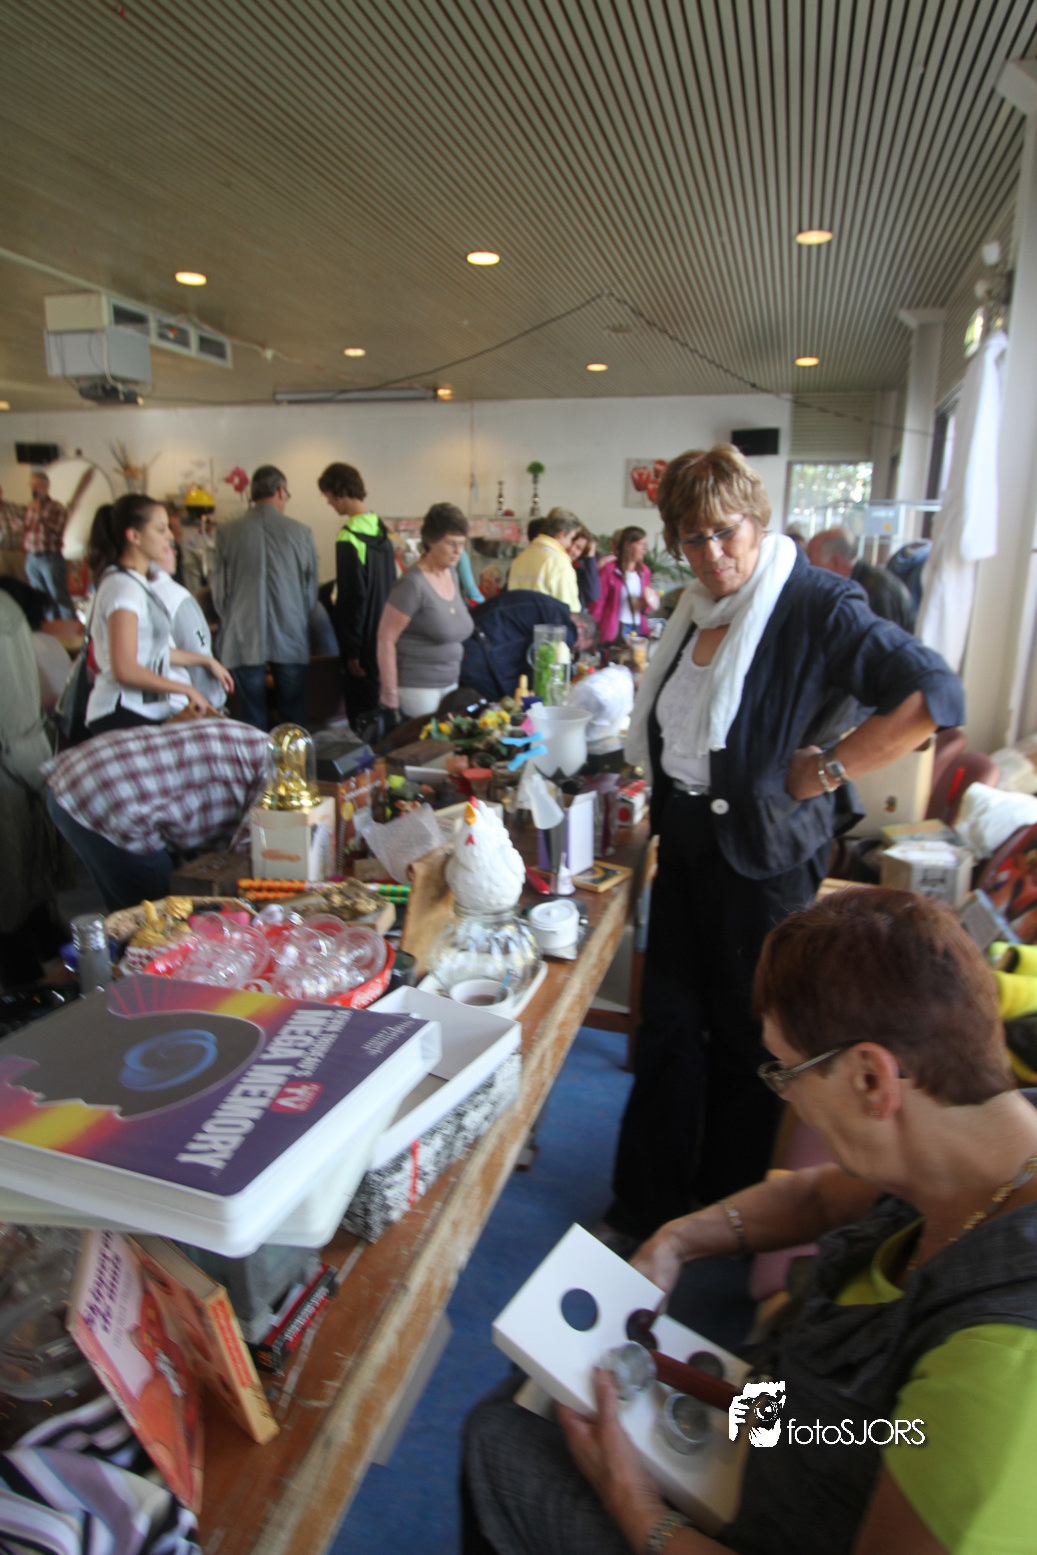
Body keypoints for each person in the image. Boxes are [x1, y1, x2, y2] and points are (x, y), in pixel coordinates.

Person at [463, 887, 1037, 1555]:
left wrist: (638, 1508)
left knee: (500, 1437)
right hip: (805, 1433)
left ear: (871, 1079)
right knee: (546, 1389)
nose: (785, 1092)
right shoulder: (976, 1145)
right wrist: (676, 1240)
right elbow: (820, 1199)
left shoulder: (1002, 1363)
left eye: (787, 1071)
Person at [601, 444, 962, 1244]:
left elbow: (931, 692)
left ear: (757, 521)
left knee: (746, 1039)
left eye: (724, 532)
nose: (711, 553)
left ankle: (725, 1213)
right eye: (691, 538)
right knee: (666, 1025)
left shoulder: (814, 603)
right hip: (686, 842)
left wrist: (829, 768)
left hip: (763, 859)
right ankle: (643, 1205)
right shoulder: (694, 607)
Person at [44, 717, 270, 911]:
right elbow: (246, 862)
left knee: (139, 911)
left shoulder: (265, 744)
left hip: (79, 775)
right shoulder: (282, 775)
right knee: (162, 917)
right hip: (109, 795)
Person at [85, 495, 231, 737]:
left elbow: (151, 650)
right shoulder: (124, 587)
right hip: (123, 710)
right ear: (134, 536)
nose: (170, 536)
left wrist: (205, 661)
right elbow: (124, 668)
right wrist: (185, 689)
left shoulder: (135, 583)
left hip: (141, 710)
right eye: (161, 529)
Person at [0, 590, 74, 986]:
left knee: (13, 892)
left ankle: (27, 993)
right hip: (25, 754)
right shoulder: (7, 606)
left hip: (9, 762)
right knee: (28, 888)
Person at [212, 465, 317, 730]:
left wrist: (232, 616)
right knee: (293, 716)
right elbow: (310, 592)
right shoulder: (302, 533)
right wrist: (296, 617)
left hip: (243, 635)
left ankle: (256, 757)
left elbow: (219, 592)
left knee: (251, 716)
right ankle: (294, 757)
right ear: (280, 491)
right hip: (291, 634)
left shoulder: (226, 533)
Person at [376, 503, 475, 719]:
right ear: (431, 541)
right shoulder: (412, 584)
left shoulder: (452, 574)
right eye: (450, 543)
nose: (458, 551)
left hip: (450, 683)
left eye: (462, 544)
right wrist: (389, 692)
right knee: (429, 739)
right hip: (418, 687)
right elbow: (386, 638)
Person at [317, 462, 397, 724]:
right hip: (384, 634)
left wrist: (352, 651)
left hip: (362, 644)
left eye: (329, 497)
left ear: (339, 492)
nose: (330, 504)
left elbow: (353, 599)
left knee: (361, 716)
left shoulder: (348, 536)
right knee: (381, 711)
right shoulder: (382, 530)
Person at [150, 549, 227, 713]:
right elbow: (197, 649)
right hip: (182, 704)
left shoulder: (129, 590)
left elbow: (153, 650)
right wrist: (214, 704)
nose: (174, 552)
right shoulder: (175, 596)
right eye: (168, 545)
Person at [12, 468, 91, 620]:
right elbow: (29, 528)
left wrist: (40, 514)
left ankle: (70, 628)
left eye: (37, 485)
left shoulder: (56, 507)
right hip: (32, 557)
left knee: (59, 596)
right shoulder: (31, 507)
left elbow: (58, 529)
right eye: (31, 485)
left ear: (46, 486)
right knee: (41, 597)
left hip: (50, 558)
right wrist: (19, 526)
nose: (34, 489)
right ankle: (51, 627)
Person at [806, 527, 916, 632]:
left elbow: (881, 641)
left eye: (811, 557)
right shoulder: (854, 582)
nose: (807, 565)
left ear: (835, 561)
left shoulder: (876, 590)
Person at [591, 525, 659, 643]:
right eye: (640, 544)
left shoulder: (644, 572)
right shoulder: (609, 570)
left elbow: (645, 607)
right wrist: (593, 629)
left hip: (638, 627)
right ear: (627, 545)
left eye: (645, 545)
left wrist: (648, 602)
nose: (645, 548)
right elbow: (598, 601)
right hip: (616, 628)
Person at [506, 511, 580, 610]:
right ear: (561, 534)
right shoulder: (559, 563)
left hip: (518, 617)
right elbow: (569, 609)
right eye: (571, 538)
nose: (570, 543)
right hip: (546, 619)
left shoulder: (521, 557)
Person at [568, 523, 601, 610]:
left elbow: (593, 594)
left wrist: (590, 557)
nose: (572, 549)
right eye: (571, 542)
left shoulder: (579, 568)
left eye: (578, 548)